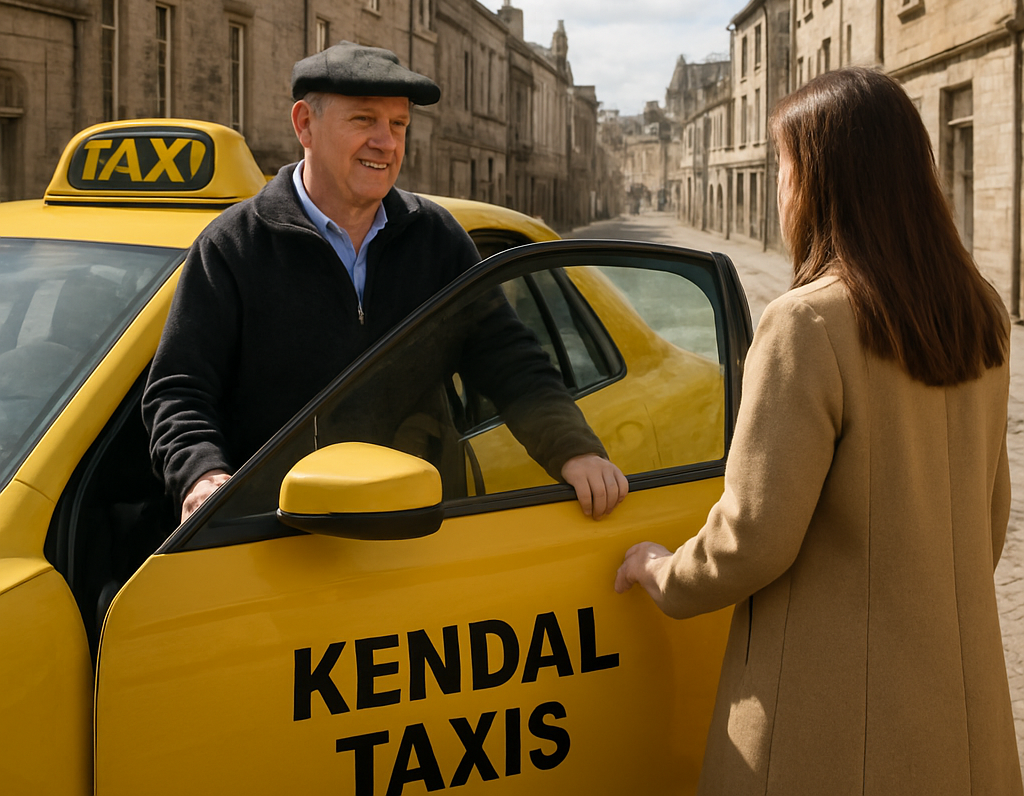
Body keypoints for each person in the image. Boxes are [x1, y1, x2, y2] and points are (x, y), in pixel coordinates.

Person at [614, 67, 1021, 795]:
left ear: (822, 181)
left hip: (828, 728)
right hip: (963, 718)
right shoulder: (981, 310)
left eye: (785, 168)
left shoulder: (806, 323)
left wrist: (660, 572)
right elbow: (988, 522)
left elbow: (753, 537)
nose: (780, 189)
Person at [144, 41, 627, 524]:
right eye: (364, 120)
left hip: (417, 530)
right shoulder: (233, 246)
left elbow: (508, 358)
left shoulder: (436, 238)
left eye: (398, 124)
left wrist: (573, 449)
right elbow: (180, 390)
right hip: (283, 539)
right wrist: (203, 476)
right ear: (304, 124)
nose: (387, 142)